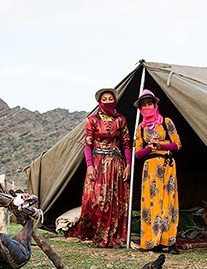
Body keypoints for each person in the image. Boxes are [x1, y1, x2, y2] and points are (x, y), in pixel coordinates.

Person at [70, 87, 132, 248]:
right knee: (95, 199)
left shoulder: (121, 120)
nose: (107, 101)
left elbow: (126, 144)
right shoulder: (92, 120)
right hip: (98, 162)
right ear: (99, 101)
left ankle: (114, 236)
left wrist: (128, 165)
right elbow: (87, 145)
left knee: (115, 201)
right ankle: (97, 234)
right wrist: (89, 166)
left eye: (110, 98)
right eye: (104, 99)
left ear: (114, 100)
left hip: (116, 163)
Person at [134, 89, 182, 255]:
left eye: (150, 103)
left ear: (155, 104)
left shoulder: (166, 122)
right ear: (140, 108)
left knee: (168, 201)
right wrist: (149, 148)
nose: (147, 107)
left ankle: (169, 241)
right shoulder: (140, 128)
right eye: (144, 105)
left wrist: (161, 145)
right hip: (150, 168)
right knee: (151, 203)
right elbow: (138, 153)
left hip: (167, 164)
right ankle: (151, 241)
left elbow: (177, 144)